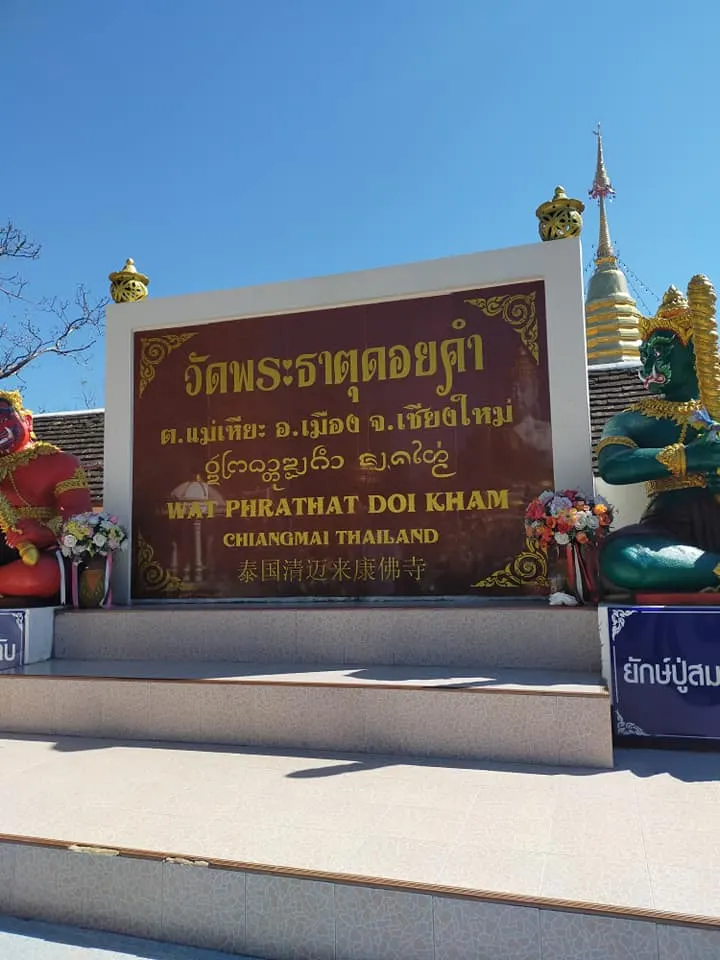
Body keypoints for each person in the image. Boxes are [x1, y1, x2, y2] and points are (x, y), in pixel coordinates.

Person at [598, 278, 720, 592]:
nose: (648, 364)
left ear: (694, 350)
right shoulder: (635, 419)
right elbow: (612, 465)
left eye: (661, 351)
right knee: (623, 558)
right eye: (645, 354)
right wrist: (688, 457)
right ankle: (712, 571)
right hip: (668, 531)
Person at [0, 390, 92, 598]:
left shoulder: (60, 462)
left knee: (45, 576)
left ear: (28, 421)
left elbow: (80, 518)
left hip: (40, 552)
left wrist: (43, 532)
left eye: (3, 418)